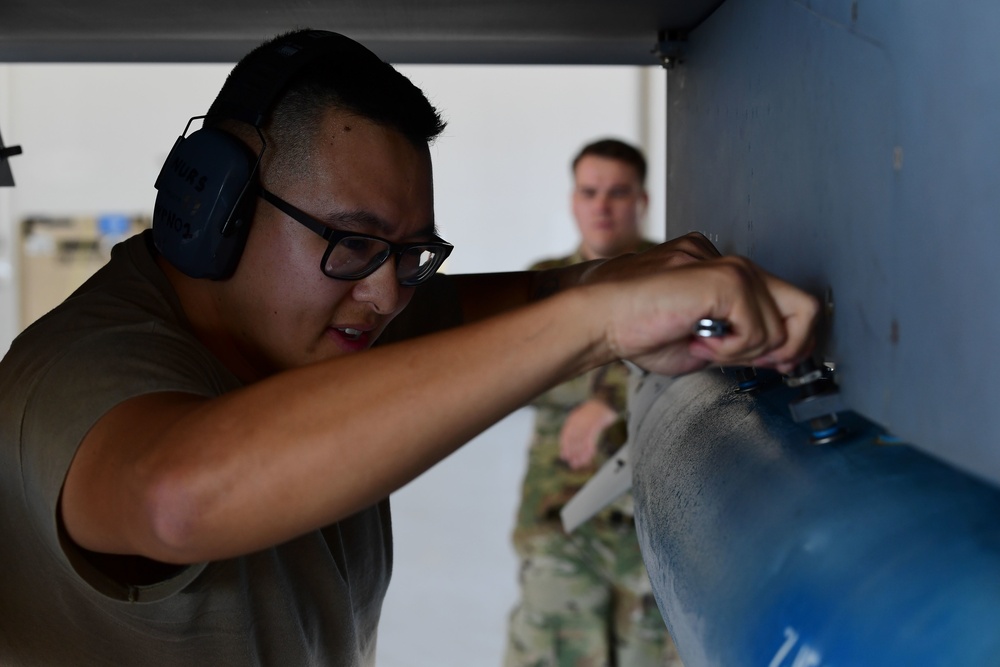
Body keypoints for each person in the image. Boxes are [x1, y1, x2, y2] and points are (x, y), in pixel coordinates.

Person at [0, 29, 819, 666]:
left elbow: (481, 308)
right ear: (219, 205)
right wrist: (601, 318)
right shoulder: (76, 371)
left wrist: (613, 280)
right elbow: (174, 495)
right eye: (354, 241)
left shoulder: (315, 332)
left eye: (411, 254)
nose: (389, 293)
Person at [505, 138, 682, 667]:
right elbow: (526, 374)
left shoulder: (675, 274)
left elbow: (695, 367)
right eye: (590, 192)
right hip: (560, 517)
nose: (601, 206)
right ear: (573, 199)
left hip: (652, 525)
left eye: (617, 192)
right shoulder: (545, 281)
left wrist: (606, 396)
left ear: (641, 200)